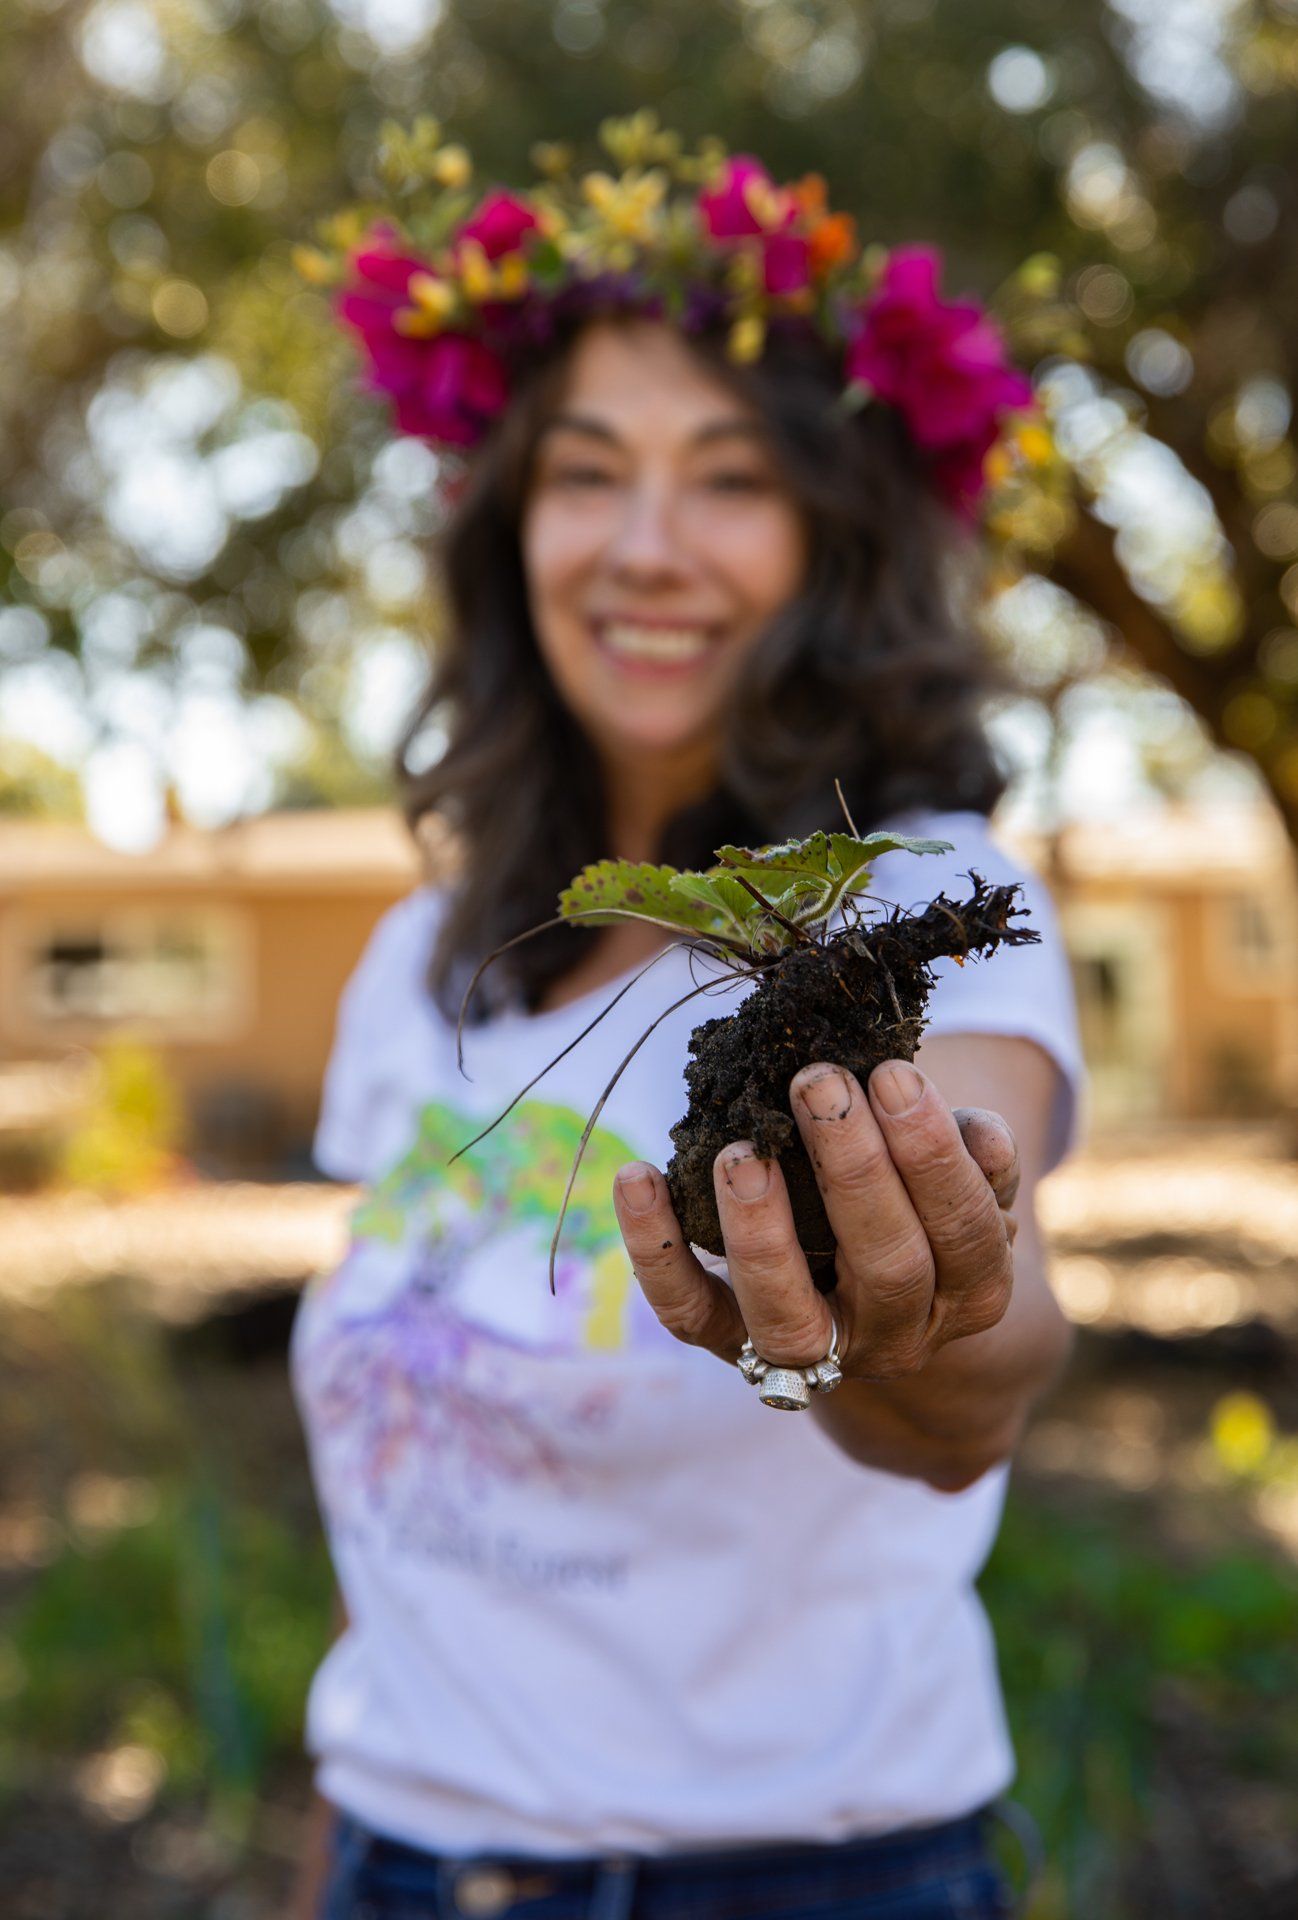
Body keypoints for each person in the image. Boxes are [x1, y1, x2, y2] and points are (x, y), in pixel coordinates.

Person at [289, 126, 1084, 1920]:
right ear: (512, 523)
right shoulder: (424, 955)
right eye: (587, 473)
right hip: (398, 1860)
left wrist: (920, 1332)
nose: (647, 546)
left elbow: (975, 1366)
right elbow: (395, 1490)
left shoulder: (911, 895)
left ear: (828, 531)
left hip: (796, 1880)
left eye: (727, 480)